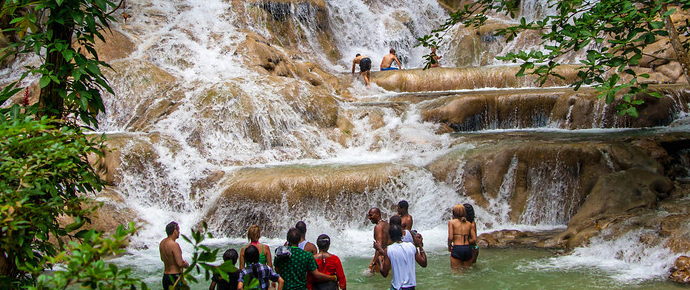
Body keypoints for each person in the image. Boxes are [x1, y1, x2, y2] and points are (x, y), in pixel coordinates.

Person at [373, 224, 427, 290]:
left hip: (397, 287)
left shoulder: (389, 250)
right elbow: (424, 263)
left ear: (389, 236)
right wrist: (420, 245)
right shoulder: (411, 247)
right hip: (411, 287)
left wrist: (379, 261)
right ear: (402, 234)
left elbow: (384, 273)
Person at [160, 221, 189, 290]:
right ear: (175, 231)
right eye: (178, 230)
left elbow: (162, 259)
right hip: (175, 276)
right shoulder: (174, 245)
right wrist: (186, 265)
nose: (179, 232)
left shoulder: (162, 243)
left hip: (166, 276)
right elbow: (180, 264)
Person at [448, 204, 477, 269]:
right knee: (467, 272)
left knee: (456, 273)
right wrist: (466, 241)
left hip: (457, 248)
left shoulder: (451, 222)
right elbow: (474, 239)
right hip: (467, 248)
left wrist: (449, 246)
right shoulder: (469, 223)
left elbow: (451, 237)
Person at [367, 207, 389, 273]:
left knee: (368, 276)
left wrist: (373, 263)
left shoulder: (378, 227)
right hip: (389, 257)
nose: (369, 217)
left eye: (371, 215)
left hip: (381, 258)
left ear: (377, 214)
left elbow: (379, 246)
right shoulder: (386, 224)